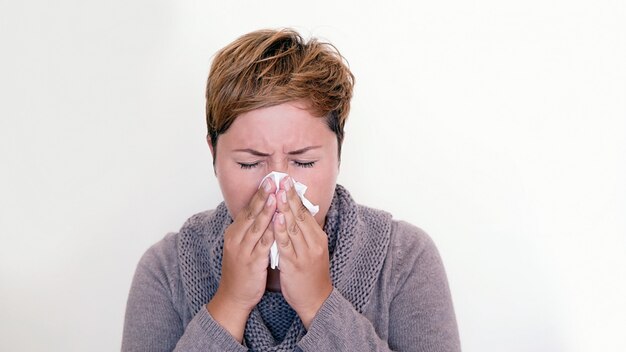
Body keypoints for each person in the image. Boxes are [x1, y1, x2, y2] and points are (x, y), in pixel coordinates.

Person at [122, 28, 461, 352]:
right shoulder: (166, 270)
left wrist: (319, 303)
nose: (278, 190)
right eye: (249, 163)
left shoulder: (405, 259)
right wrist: (230, 303)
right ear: (214, 154)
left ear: (338, 153)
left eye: (304, 162)